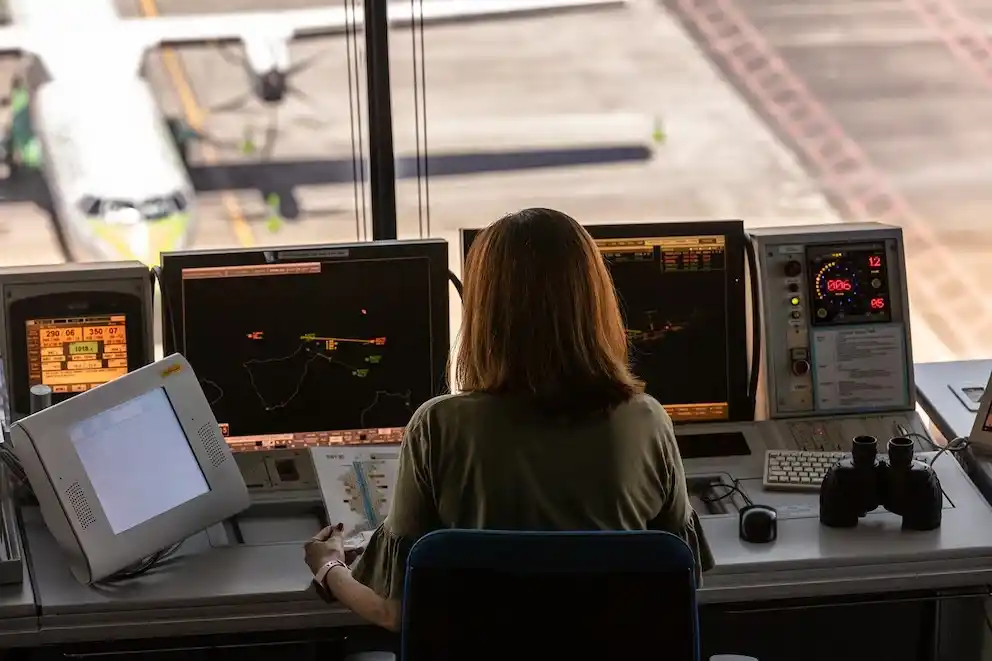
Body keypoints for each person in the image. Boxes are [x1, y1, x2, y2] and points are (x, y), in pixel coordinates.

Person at [304, 207, 714, 649]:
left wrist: (329, 568)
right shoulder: (646, 419)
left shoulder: (437, 426)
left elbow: (396, 612)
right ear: (595, 302)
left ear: (484, 312)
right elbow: (682, 579)